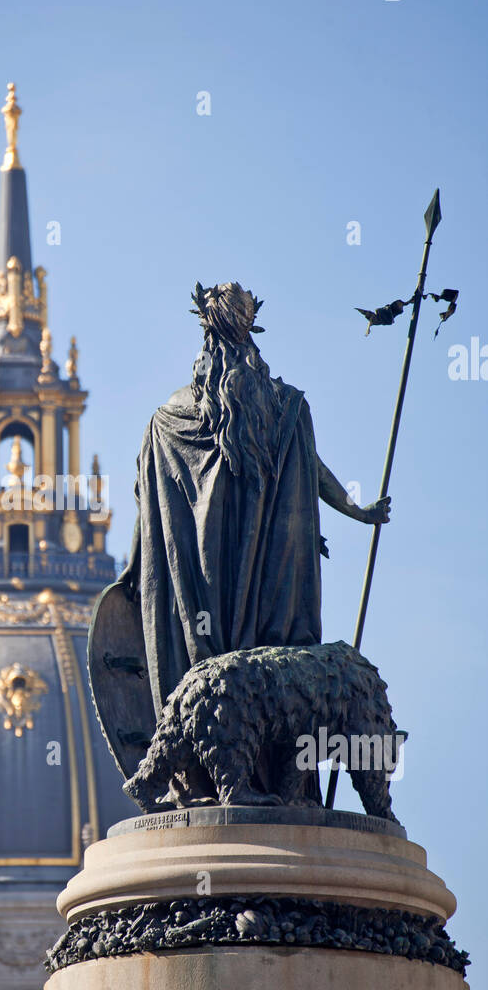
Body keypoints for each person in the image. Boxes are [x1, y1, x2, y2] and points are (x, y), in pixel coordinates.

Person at [120, 281, 390, 721]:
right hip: (259, 610)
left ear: (207, 336)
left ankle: (217, 720)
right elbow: (155, 502)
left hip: (203, 603)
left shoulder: (173, 421)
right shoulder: (278, 410)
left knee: (220, 676)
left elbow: (152, 508)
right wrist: (356, 510)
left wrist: (357, 511)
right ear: (250, 335)